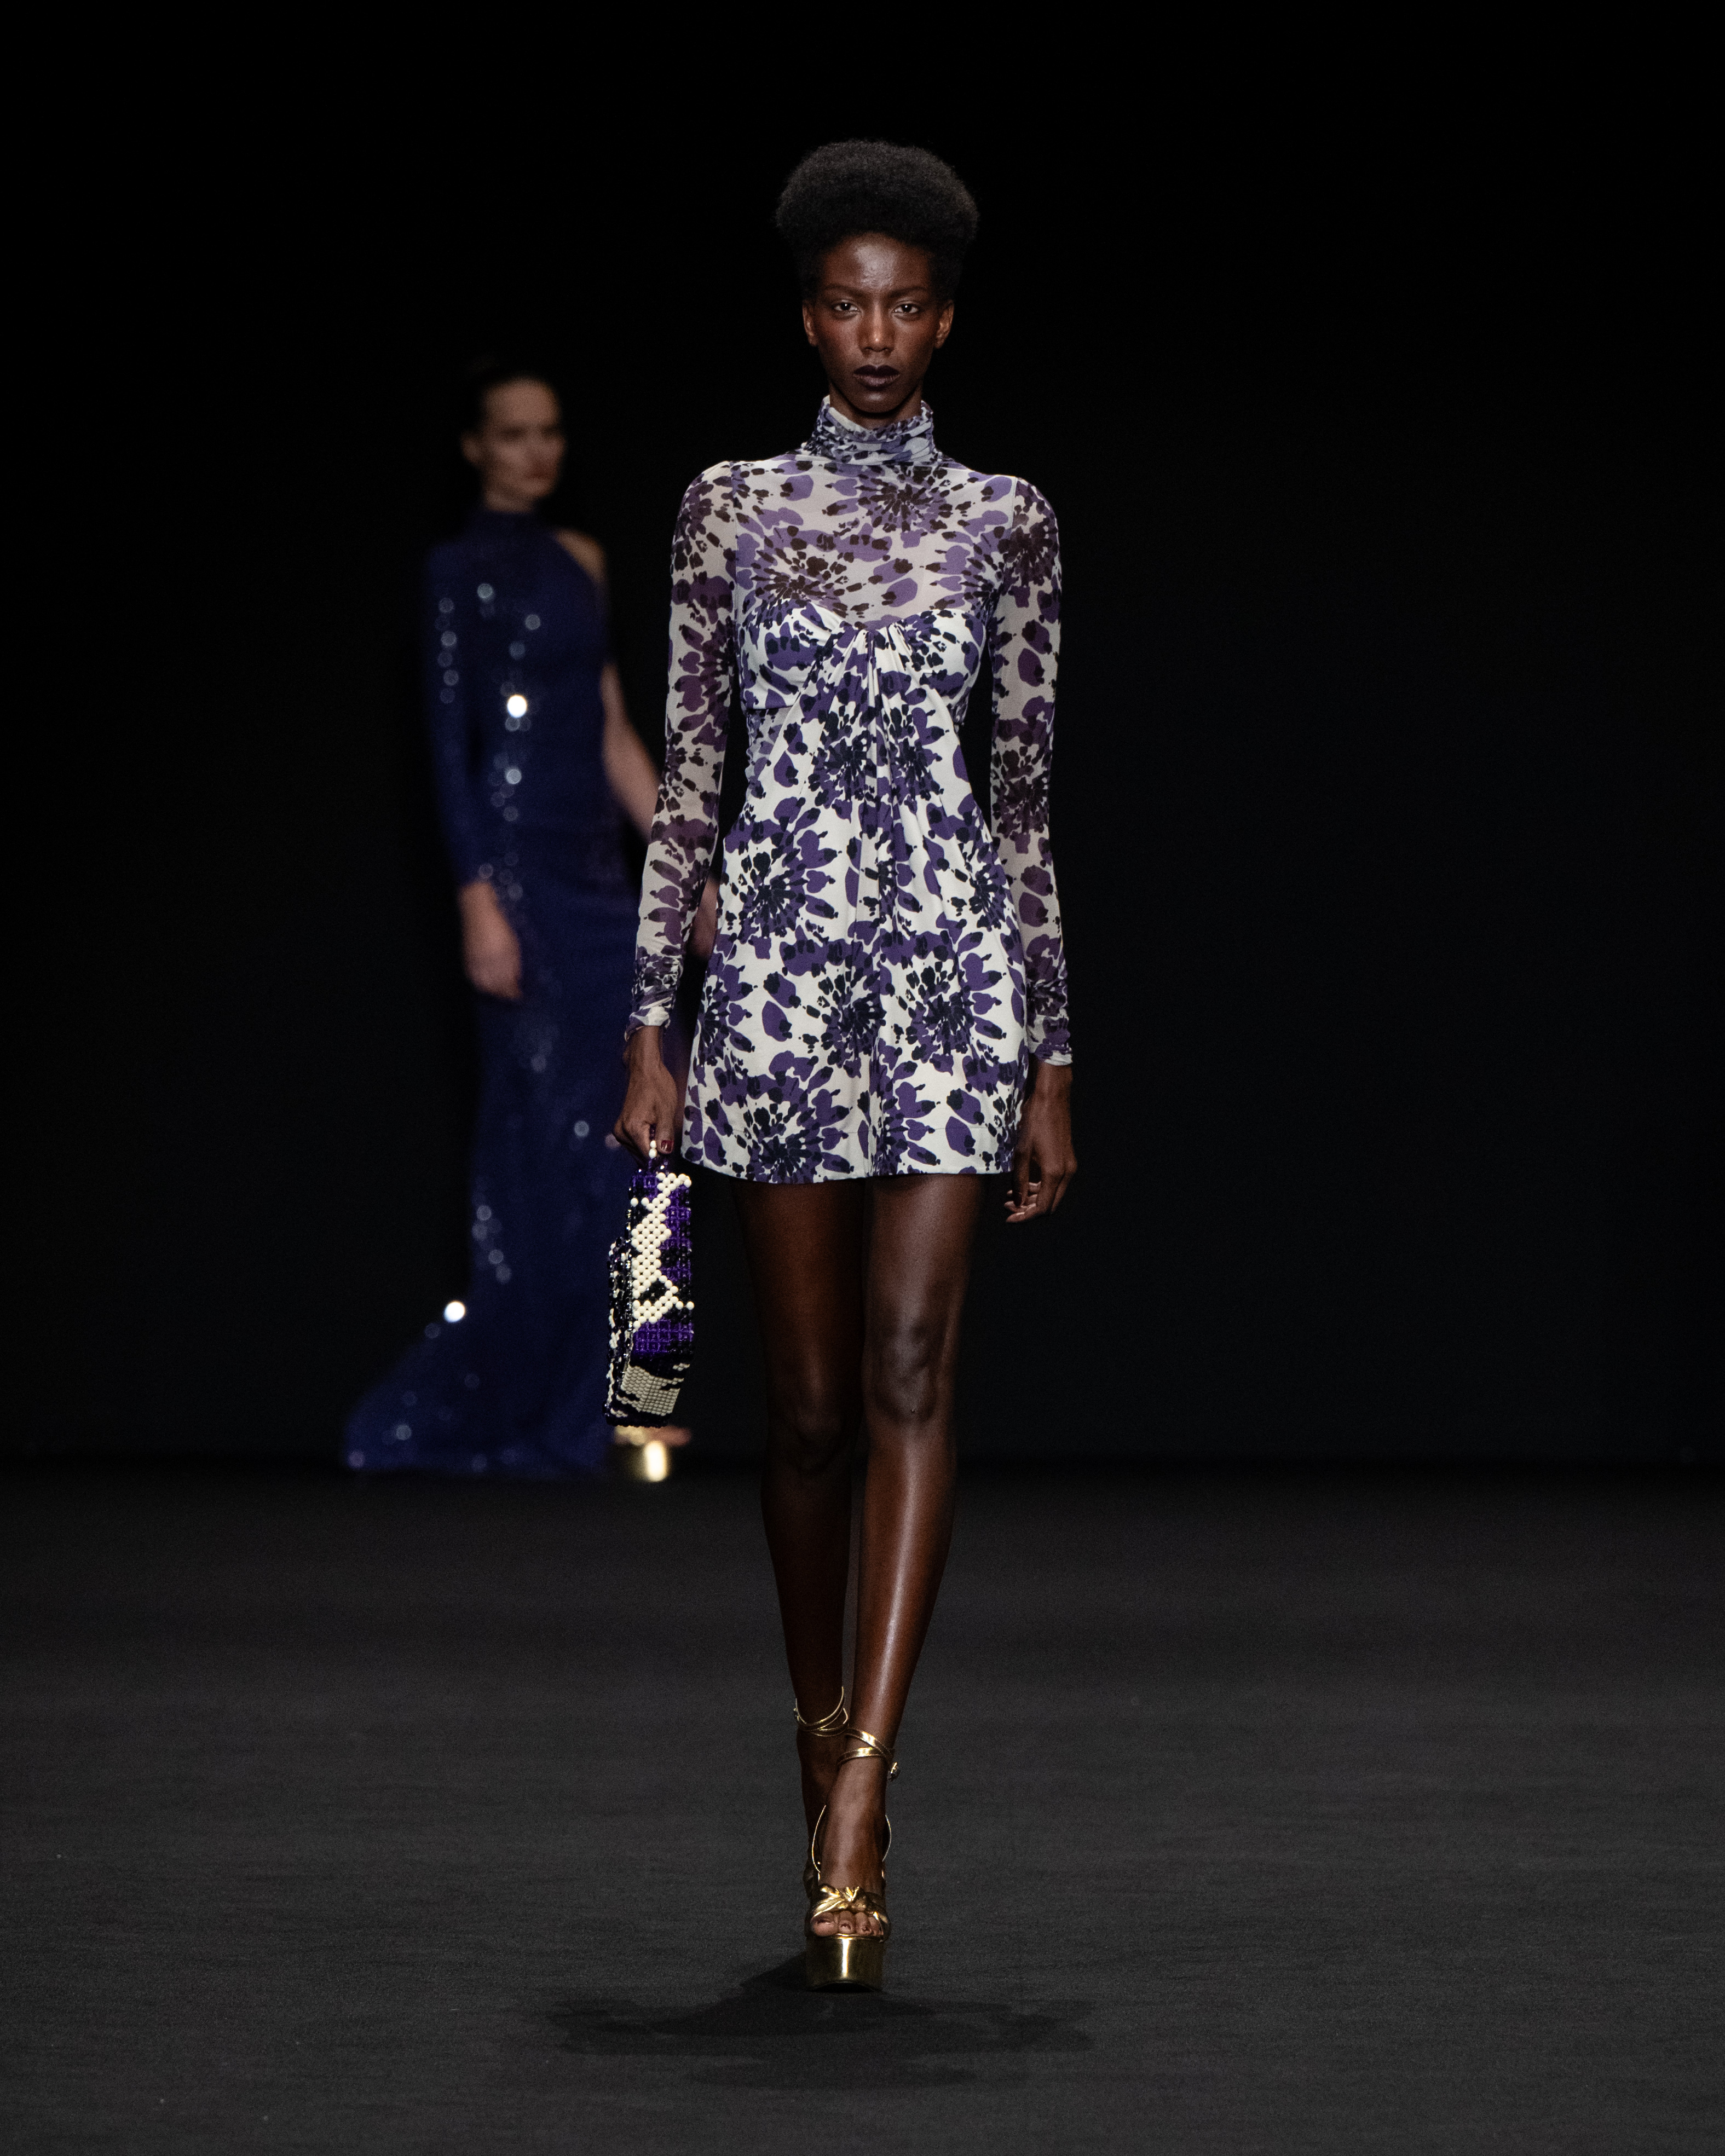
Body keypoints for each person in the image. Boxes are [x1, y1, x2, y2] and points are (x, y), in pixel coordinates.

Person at [615, 142, 1076, 1987]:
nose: (876, 334)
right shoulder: (725, 512)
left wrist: (1052, 1057)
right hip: (783, 988)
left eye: (906, 306)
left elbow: (1023, 804)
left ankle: (868, 1786)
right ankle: (816, 1736)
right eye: (845, 303)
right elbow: (690, 786)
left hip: (955, 978)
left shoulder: (1010, 522)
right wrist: (649, 1022)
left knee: (907, 1373)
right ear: (808, 318)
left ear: (944, 321)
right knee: (804, 1410)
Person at [347, 365, 706, 1479]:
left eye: (549, 432)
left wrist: (687, 873)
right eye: (513, 434)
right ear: (475, 447)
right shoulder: (453, 571)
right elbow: (446, 738)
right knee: (546, 1151)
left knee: (654, 1124)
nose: (536, 451)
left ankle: (643, 1400)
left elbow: (612, 733)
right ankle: (548, 1403)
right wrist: (476, 895)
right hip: (515, 880)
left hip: (597, 878)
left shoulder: (583, 560)